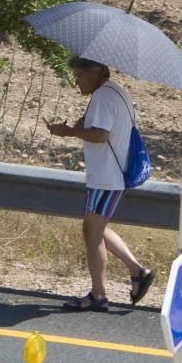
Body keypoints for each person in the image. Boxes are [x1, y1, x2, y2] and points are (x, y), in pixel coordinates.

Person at [44, 56, 155, 312]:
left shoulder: (104, 97)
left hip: (106, 177)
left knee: (91, 234)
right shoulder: (116, 91)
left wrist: (69, 132)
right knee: (96, 227)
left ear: (96, 71)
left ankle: (98, 295)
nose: (77, 82)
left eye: (80, 76)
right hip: (109, 176)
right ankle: (137, 271)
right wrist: (82, 126)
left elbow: (101, 135)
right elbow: (104, 129)